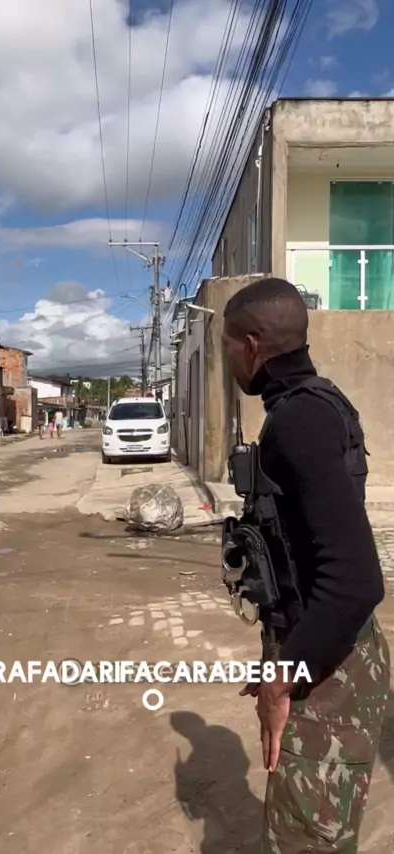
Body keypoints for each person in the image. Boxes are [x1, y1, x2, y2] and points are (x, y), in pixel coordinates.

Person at [222, 277, 390, 853]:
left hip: (327, 671)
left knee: (306, 842)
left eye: (227, 345)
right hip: (326, 649)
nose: (228, 359)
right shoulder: (317, 402)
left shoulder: (299, 420)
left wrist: (283, 676)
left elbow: (356, 581)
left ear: (251, 346)